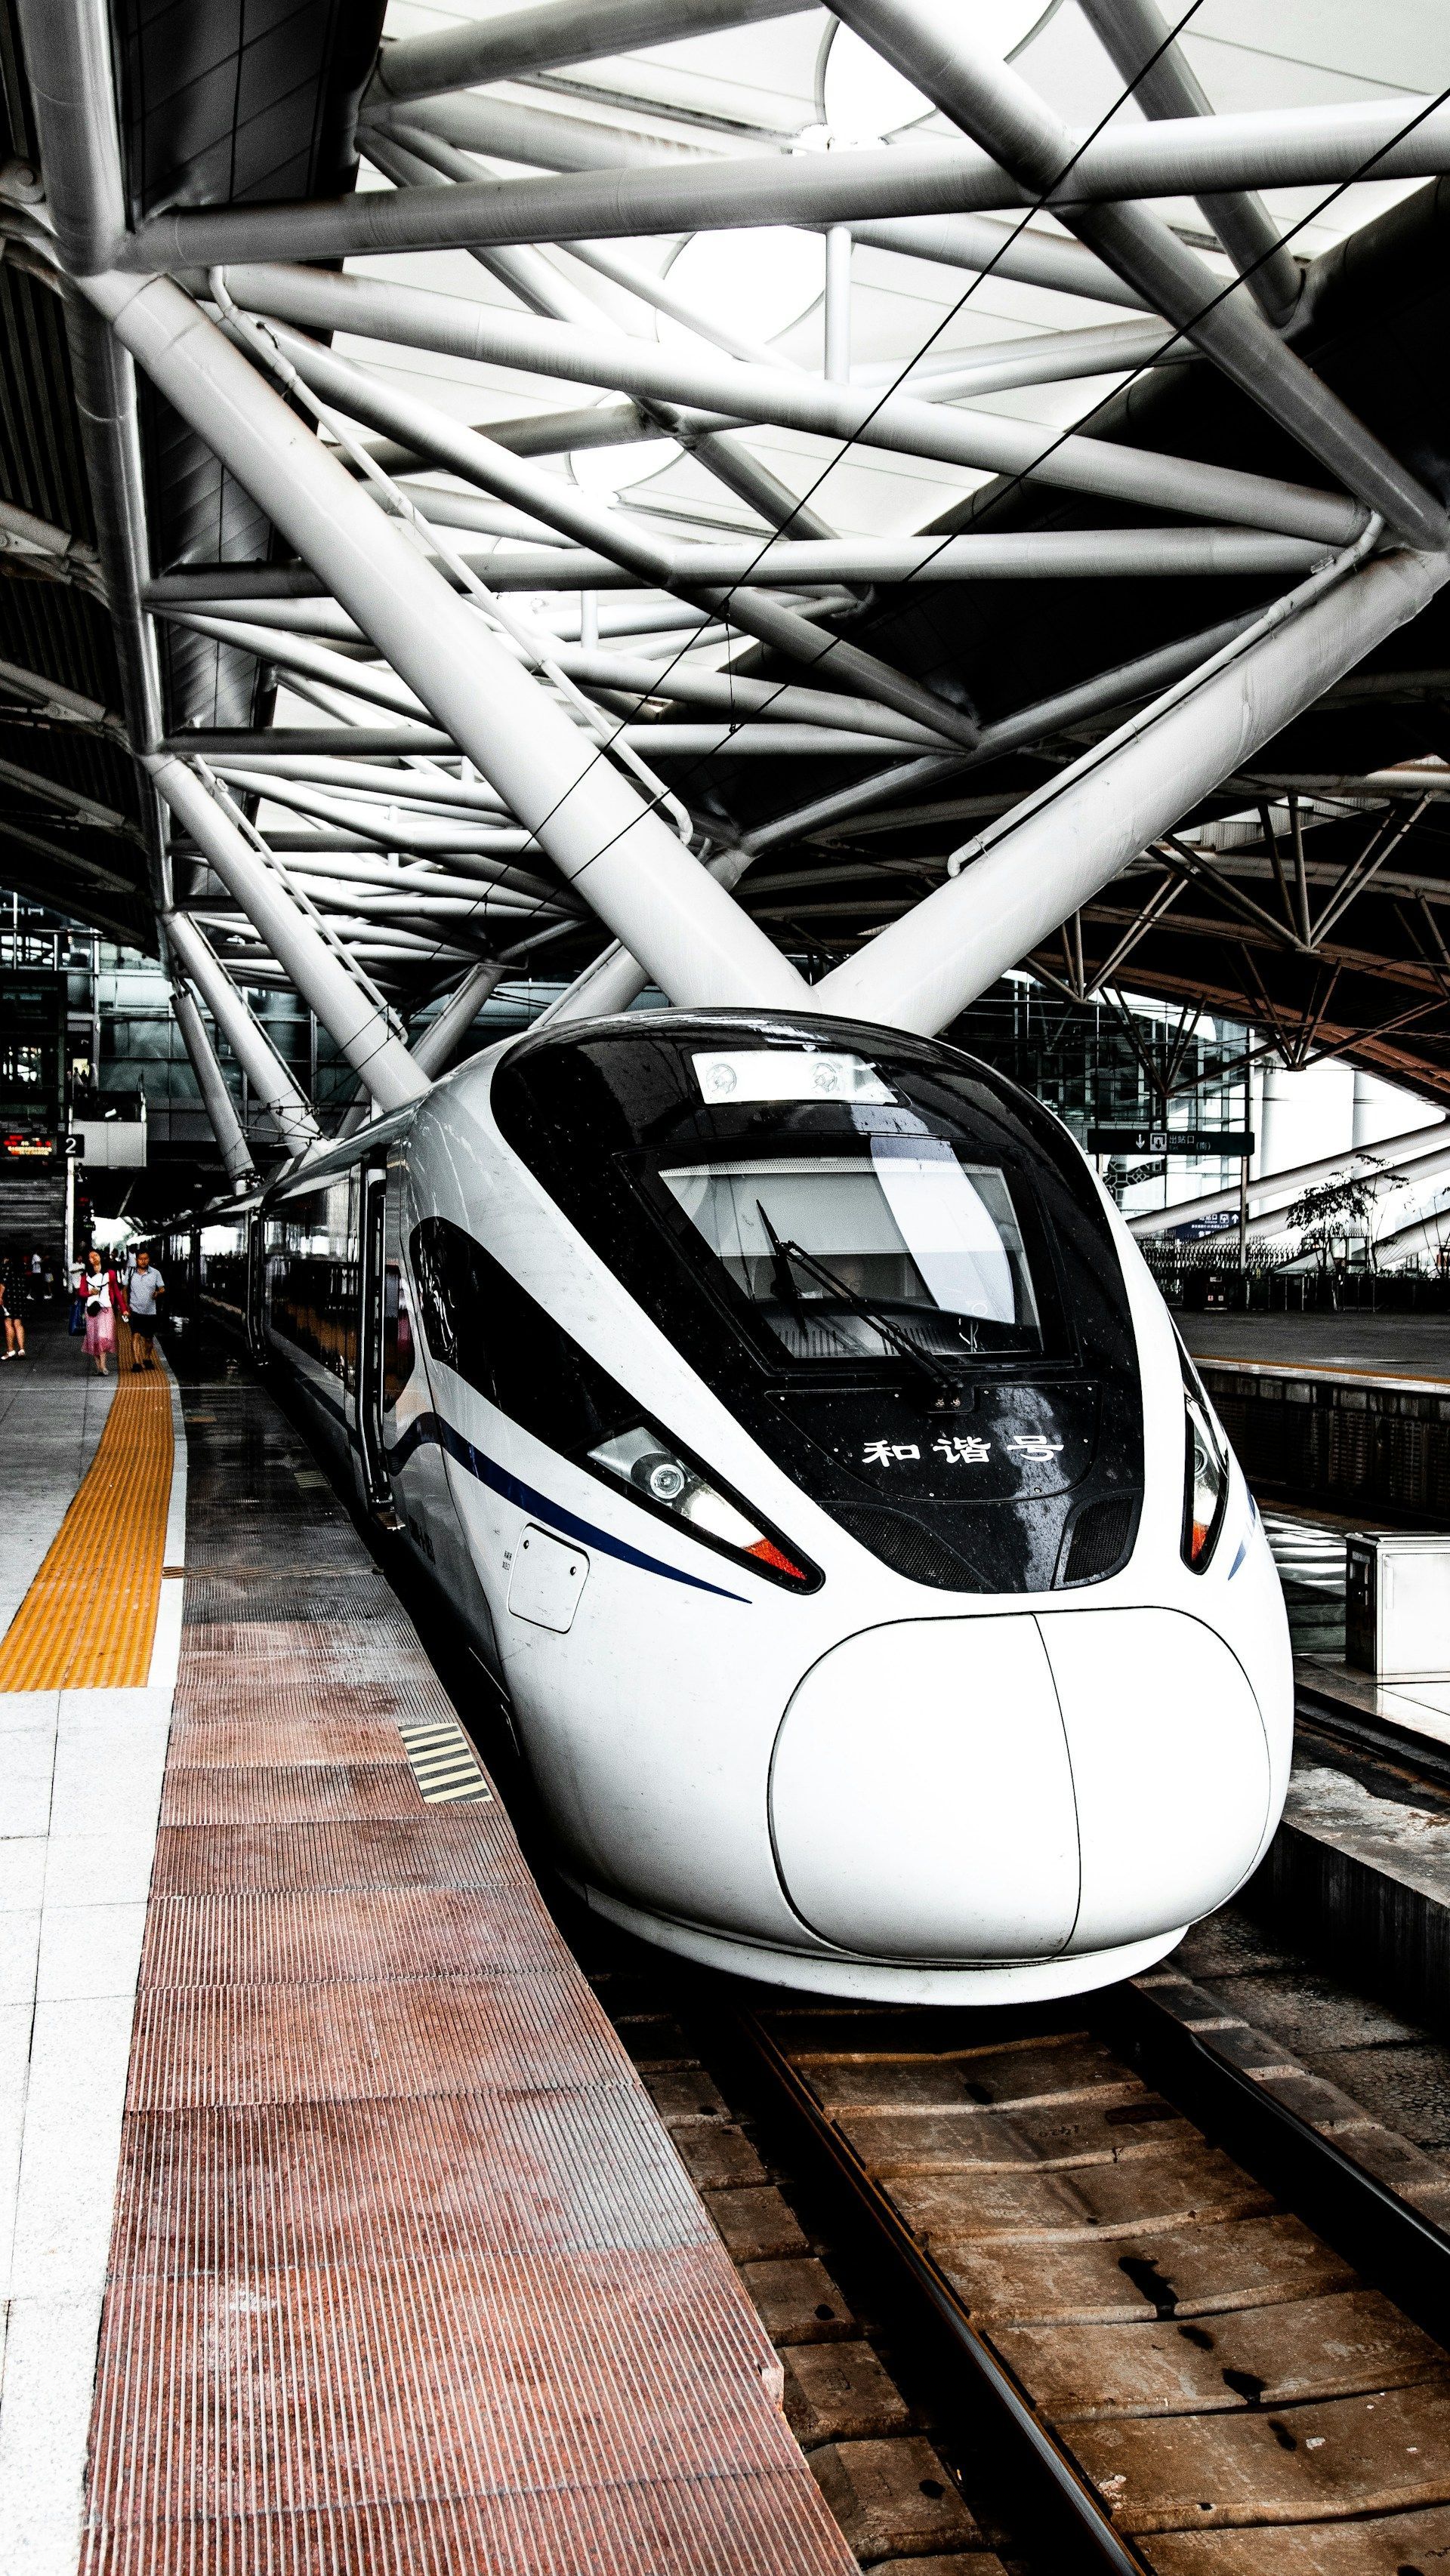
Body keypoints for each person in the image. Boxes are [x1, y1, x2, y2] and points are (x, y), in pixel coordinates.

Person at [76, 1246, 118, 1377]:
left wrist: (124, 1308)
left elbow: (116, 1291)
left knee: (103, 1337)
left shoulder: (110, 1273)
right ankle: (99, 1367)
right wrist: (89, 1292)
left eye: (96, 1255)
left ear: (100, 1257)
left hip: (106, 1308)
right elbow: (81, 1293)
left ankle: (103, 1366)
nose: (93, 1258)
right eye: (90, 1257)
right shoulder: (85, 1276)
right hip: (92, 1310)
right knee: (94, 1338)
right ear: (88, 1260)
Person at [125, 1249, 164, 1370]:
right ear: (136, 1260)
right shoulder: (130, 1272)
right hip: (135, 1309)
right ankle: (137, 1363)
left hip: (150, 1311)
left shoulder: (156, 1273)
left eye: (145, 1258)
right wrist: (126, 1305)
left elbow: (162, 1288)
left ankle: (146, 1358)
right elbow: (124, 1289)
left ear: (149, 1259)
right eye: (141, 1259)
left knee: (148, 1338)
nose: (143, 1261)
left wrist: (158, 1293)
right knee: (135, 1335)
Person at [0, 1253, 24, 1360]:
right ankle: (22, 1349)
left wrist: (0, 1297)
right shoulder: (20, 1267)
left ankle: (10, 1350)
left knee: (8, 1323)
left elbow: (3, 1284)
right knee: (18, 1323)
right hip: (19, 1297)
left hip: (8, 1297)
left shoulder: (5, 1267)